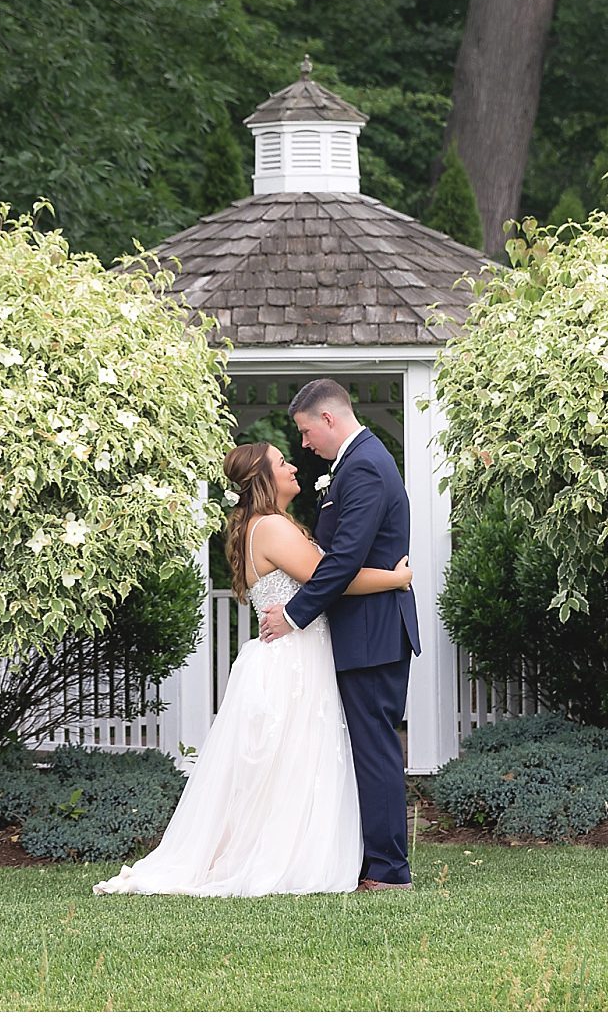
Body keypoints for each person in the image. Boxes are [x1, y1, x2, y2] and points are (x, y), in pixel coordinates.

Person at [92, 440, 411, 896]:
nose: (293, 464)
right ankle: (280, 858)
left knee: (293, 763)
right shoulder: (274, 529)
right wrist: (396, 578)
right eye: (282, 462)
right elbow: (332, 579)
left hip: (297, 651)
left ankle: (303, 850)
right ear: (264, 478)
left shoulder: (263, 525)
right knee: (294, 760)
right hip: (295, 659)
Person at [258, 378, 419, 891]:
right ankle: (372, 861)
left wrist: (295, 614)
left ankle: (390, 872)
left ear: (328, 419)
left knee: (374, 750)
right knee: (368, 748)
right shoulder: (353, 465)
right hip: (363, 631)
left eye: (305, 432)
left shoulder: (366, 466)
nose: (303, 444)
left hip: (372, 633)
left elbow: (345, 559)